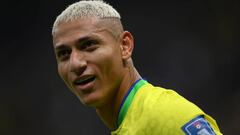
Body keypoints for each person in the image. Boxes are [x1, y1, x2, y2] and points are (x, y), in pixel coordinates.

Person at [51, 0, 222, 134]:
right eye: (64, 54)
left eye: (89, 45)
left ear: (125, 46)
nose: (75, 63)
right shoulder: (129, 124)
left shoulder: (166, 116)